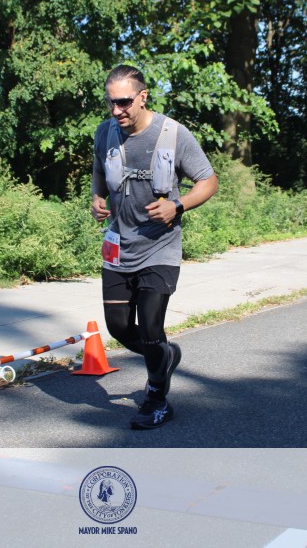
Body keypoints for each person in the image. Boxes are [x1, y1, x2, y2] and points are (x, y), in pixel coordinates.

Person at [91, 65, 218, 429]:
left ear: (143, 96)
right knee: (118, 328)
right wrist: (97, 198)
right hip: (119, 245)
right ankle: (165, 355)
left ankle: (157, 399)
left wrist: (177, 205)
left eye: (124, 102)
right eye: (111, 102)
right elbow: (99, 170)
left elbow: (208, 181)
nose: (117, 110)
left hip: (160, 248)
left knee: (149, 327)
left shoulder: (173, 134)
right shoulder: (105, 132)